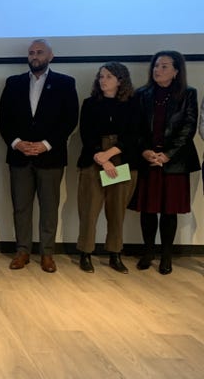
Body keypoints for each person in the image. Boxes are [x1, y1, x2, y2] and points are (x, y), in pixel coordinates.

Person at [0, 39, 78, 273]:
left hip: (50, 157)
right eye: (31, 53)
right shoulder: (14, 83)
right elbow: (3, 119)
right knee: (21, 207)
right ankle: (22, 251)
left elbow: (70, 119)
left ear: (51, 56)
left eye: (40, 52)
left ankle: (47, 254)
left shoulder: (65, 83)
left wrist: (46, 144)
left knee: (49, 207)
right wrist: (17, 143)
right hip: (20, 156)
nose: (35, 56)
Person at [129, 51, 199, 275]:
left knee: (169, 212)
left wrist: (167, 154)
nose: (157, 70)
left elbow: (188, 127)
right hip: (148, 159)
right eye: (156, 66)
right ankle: (148, 252)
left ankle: (166, 256)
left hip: (175, 162)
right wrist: (145, 151)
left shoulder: (188, 94)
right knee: (147, 210)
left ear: (176, 71)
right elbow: (135, 128)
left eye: (164, 66)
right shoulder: (142, 94)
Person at [76, 62, 139, 274]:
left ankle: (115, 253)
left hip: (121, 158)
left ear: (120, 80)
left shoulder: (133, 103)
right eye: (101, 76)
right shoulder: (90, 103)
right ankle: (85, 252)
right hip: (94, 158)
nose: (103, 80)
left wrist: (110, 155)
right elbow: (86, 133)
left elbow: (133, 135)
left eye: (109, 76)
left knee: (116, 210)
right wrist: (101, 158)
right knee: (89, 209)